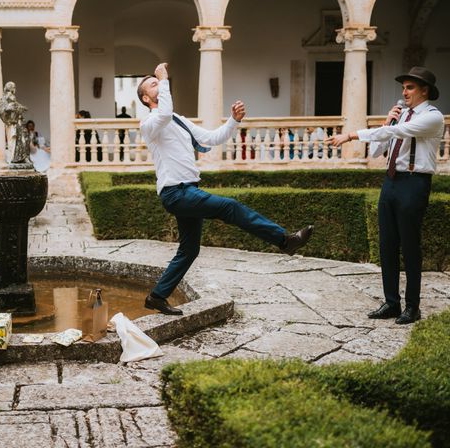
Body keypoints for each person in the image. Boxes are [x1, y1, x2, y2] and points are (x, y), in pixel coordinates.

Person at [138, 62, 314, 315]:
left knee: (189, 250)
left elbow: (211, 138)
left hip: (188, 190)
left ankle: (157, 297)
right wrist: (164, 79)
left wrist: (233, 120)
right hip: (176, 193)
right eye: (153, 84)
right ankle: (285, 241)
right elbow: (164, 113)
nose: (159, 84)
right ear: (146, 98)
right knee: (229, 206)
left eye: (158, 82)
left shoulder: (179, 119)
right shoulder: (150, 123)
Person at [326, 66, 444, 324]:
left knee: (410, 246)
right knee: (387, 245)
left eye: (410, 87)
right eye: (403, 87)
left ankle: (413, 306)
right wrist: (387, 121)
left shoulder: (433, 117)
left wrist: (351, 135)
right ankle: (392, 303)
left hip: (414, 183)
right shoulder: (400, 117)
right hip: (391, 182)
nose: (404, 92)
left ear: (425, 91)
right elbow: (378, 152)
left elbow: (397, 133)